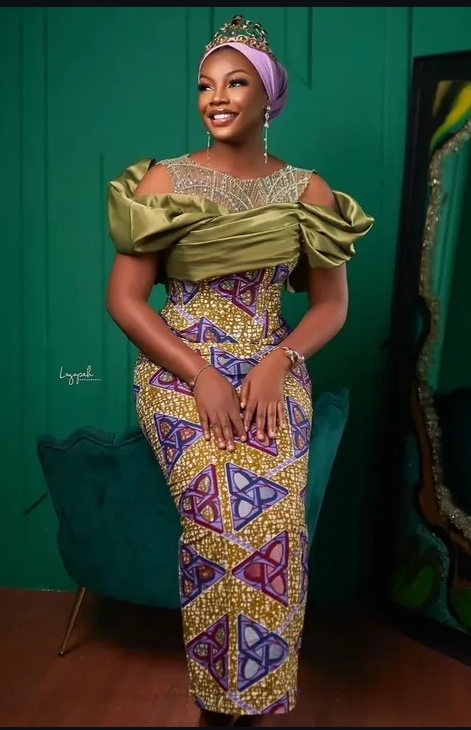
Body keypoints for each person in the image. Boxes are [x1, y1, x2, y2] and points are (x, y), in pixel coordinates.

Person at [106, 14, 374, 728]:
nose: (216, 97)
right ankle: (215, 705)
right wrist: (200, 373)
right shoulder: (166, 179)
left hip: (272, 371)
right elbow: (125, 300)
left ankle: (254, 703)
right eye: (205, 85)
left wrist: (278, 362)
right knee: (220, 525)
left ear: (268, 97)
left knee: (276, 529)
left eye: (235, 83)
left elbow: (331, 306)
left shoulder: (307, 190)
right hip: (179, 371)